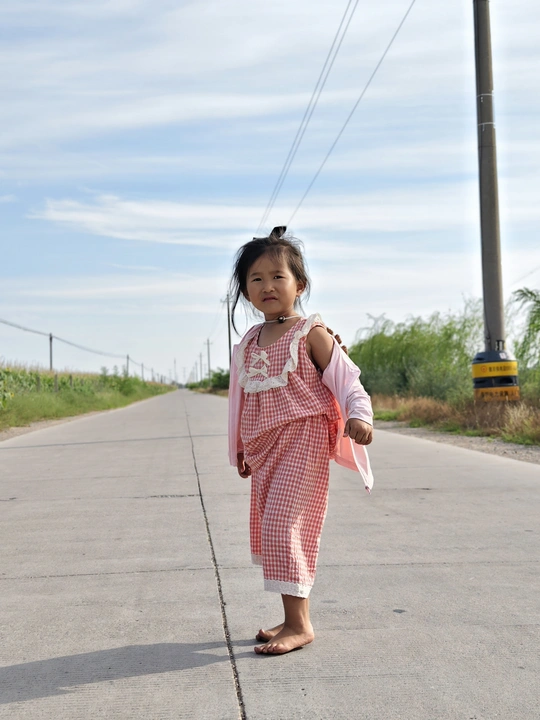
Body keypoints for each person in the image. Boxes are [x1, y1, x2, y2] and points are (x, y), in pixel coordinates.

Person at [228, 226, 374, 655]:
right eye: (256, 279)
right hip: (264, 448)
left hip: (303, 441)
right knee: (273, 531)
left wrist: (360, 416)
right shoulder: (248, 343)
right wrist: (239, 447)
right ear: (246, 292)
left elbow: (348, 381)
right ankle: (291, 617)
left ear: (300, 285)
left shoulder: (311, 332)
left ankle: (300, 625)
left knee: (283, 526)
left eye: (278, 276)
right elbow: (240, 400)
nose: (267, 286)